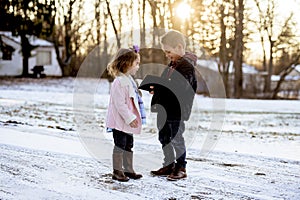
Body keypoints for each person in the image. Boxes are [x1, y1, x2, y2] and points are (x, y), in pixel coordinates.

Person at [150, 30, 197, 181]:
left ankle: (181, 167)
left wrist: (160, 86)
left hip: (176, 110)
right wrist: (155, 88)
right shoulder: (172, 65)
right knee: (163, 137)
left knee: (176, 138)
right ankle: (168, 163)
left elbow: (178, 87)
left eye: (168, 51)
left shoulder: (187, 67)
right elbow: (167, 84)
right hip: (165, 109)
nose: (167, 55)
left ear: (179, 47)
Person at [106, 46, 145, 182]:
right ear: (127, 64)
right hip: (120, 121)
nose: (138, 67)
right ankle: (117, 171)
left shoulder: (129, 80)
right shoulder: (119, 82)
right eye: (137, 63)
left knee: (129, 144)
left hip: (127, 121)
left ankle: (128, 170)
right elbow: (120, 104)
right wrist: (129, 118)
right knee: (120, 145)